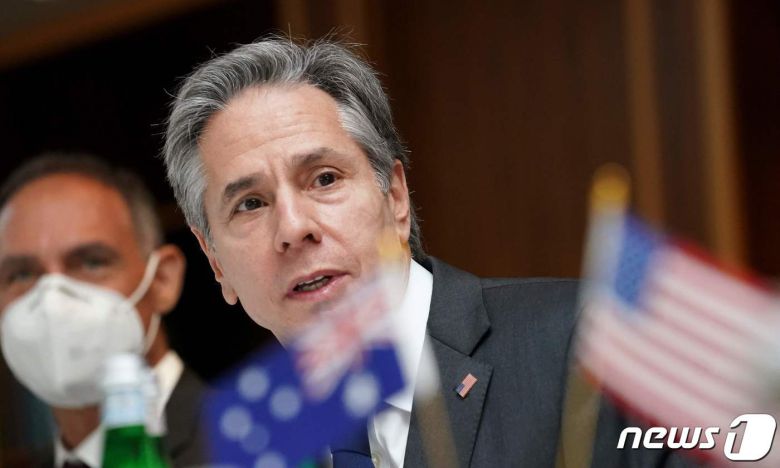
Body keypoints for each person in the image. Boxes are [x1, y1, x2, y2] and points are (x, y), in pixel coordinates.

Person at [163, 37, 695, 467]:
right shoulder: (241, 444)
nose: (294, 228)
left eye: (324, 179)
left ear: (395, 197)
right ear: (215, 261)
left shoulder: (593, 343)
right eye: (250, 204)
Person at [0, 154, 207, 467]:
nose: (52, 301)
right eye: (21, 275)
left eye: (91, 262)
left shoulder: (243, 446)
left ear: (162, 280)